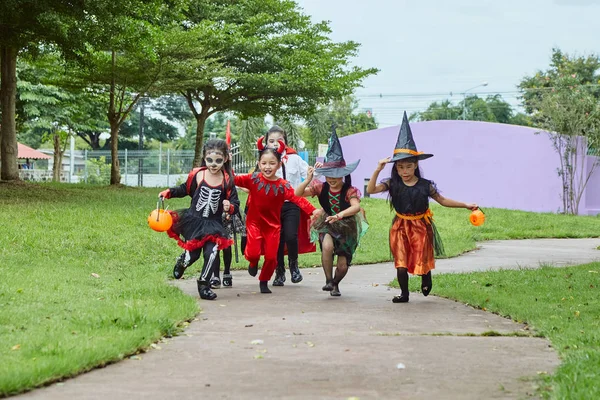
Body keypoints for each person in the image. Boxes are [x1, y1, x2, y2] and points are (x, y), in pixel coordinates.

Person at [366, 112, 478, 303]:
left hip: (420, 226)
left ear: (416, 165)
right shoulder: (393, 183)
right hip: (400, 226)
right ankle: (404, 294)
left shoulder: (425, 185)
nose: (405, 172)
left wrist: (465, 205)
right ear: (396, 168)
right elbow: (371, 189)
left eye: (409, 167)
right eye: (400, 168)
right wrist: (378, 169)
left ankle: (426, 276)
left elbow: (442, 200)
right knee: (400, 262)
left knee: (421, 260)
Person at [234, 137, 319, 294]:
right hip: (254, 224)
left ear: (279, 165)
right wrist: (226, 165)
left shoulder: (283, 185)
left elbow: (296, 198)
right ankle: (252, 262)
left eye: (272, 163)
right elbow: (234, 179)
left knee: (272, 258)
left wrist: (313, 210)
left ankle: (264, 281)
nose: (267, 167)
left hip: (273, 227)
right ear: (259, 164)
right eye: (264, 163)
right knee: (253, 253)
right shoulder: (252, 179)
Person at [158, 139, 240, 300]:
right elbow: (184, 189)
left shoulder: (227, 180)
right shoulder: (198, 175)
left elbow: (236, 203)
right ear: (204, 158)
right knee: (193, 255)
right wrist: (169, 192)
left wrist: (229, 206)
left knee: (212, 252)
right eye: (210, 160)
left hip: (214, 224)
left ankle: (204, 284)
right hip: (194, 221)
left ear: (225, 159)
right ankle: (183, 261)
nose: (213, 164)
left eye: (218, 160)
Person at [295, 129, 368, 297]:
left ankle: (335, 283)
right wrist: (307, 179)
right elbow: (298, 193)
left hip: (346, 225)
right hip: (327, 223)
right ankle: (328, 280)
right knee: (327, 247)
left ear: (343, 174)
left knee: (342, 266)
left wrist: (340, 215)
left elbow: (355, 207)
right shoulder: (320, 187)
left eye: (336, 175)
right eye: (329, 175)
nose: (332, 179)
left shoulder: (350, 190)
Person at [264, 125, 315, 287]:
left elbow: (308, 173)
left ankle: (294, 266)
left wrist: (314, 172)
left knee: (291, 236)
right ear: (266, 143)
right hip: (272, 206)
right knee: (276, 239)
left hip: (291, 204)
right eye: (271, 141)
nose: (275, 144)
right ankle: (279, 272)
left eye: (279, 140)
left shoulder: (294, 159)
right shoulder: (266, 160)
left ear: (285, 142)